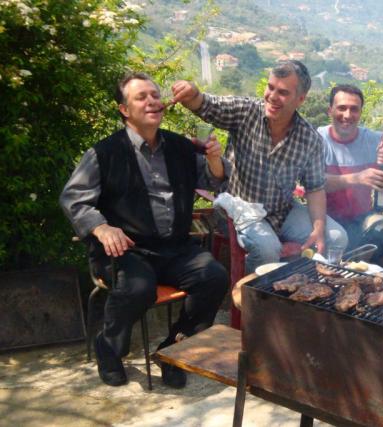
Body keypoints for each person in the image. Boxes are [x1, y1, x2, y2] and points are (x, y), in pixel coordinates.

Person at [60, 72, 229, 388]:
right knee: (138, 287)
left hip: (174, 247)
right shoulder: (104, 153)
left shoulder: (180, 146)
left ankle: (173, 351)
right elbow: (74, 198)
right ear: (124, 110)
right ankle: (108, 348)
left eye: (155, 95)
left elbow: (213, 180)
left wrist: (214, 159)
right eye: (141, 97)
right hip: (127, 249)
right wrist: (101, 227)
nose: (152, 101)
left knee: (214, 277)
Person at [171, 60, 347, 273]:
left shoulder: (309, 139)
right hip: (237, 208)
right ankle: (252, 294)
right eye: (270, 87)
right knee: (267, 250)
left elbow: (315, 188)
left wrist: (318, 229)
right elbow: (207, 105)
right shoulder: (246, 112)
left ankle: (308, 288)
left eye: (283, 92)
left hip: (281, 210)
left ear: (300, 99)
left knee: (336, 237)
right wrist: (192, 94)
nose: (272, 96)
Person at [318, 84, 383, 269]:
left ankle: (378, 279)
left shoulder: (374, 140)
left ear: (360, 112)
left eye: (354, 109)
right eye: (341, 108)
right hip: (326, 216)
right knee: (337, 239)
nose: (347, 115)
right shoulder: (318, 139)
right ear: (330, 111)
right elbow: (311, 182)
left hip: (363, 217)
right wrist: (356, 178)